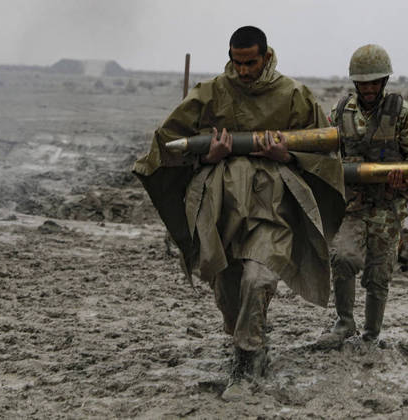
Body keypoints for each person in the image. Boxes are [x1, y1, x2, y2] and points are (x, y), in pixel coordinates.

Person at [133, 26, 345, 399]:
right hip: (221, 208)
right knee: (228, 289)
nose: (243, 71)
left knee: (259, 279)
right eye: (237, 62)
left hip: (272, 206)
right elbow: (166, 142)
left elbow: (326, 148)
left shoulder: (294, 95)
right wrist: (206, 155)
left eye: (250, 62)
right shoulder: (210, 93)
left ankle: (247, 365)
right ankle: (250, 341)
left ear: (265, 56)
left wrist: (288, 154)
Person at [315, 44, 408, 349]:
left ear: (384, 82)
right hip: (353, 206)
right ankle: (344, 322)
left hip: (388, 209)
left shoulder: (405, 115)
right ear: (355, 83)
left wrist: (404, 180)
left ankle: (372, 333)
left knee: (378, 276)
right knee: (343, 258)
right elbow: (324, 152)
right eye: (363, 83)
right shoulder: (340, 112)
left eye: (374, 83)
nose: (369, 89)